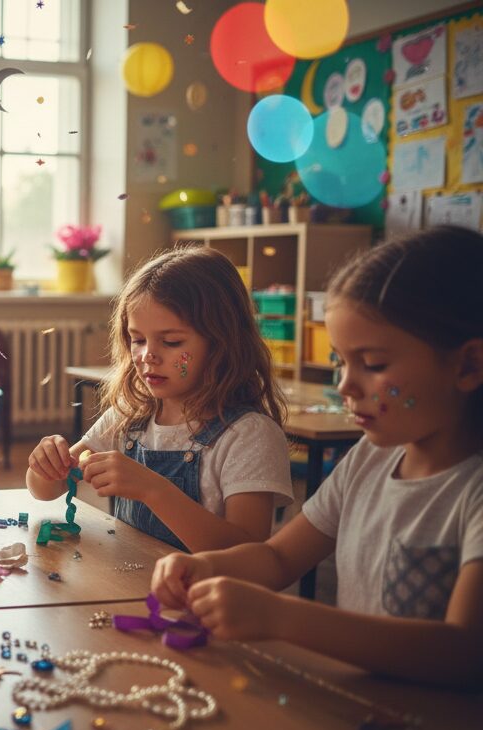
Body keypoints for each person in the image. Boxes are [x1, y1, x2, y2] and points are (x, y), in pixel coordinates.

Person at [153, 227, 483, 688]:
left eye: (373, 364)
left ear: (467, 366)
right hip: (368, 709)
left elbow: (464, 650)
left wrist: (283, 617)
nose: (345, 386)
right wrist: (206, 567)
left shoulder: (472, 490)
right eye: (341, 363)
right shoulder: (368, 459)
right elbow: (276, 558)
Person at [27, 247, 292, 552]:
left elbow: (247, 557)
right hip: (132, 589)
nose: (147, 355)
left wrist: (153, 490)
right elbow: (45, 490)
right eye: (137, 339)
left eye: (171, 342)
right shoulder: (130, 416)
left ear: (222, 342)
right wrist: (43, 465)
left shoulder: (249, 435)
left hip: (202, 597)